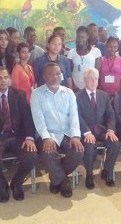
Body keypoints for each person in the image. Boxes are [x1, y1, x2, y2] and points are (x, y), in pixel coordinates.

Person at [0, 66, 37, 203]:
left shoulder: (19, 95)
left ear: (9, 79)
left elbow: (27, 119)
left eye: (5, 77)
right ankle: (2, 184)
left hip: (17, 137)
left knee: (31, 156)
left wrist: (29, 138)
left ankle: (16, 183)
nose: (3, 81)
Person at [30, 62, 84, 198]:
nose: (55, 77)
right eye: (51, 74)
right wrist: (46, 137)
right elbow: (38, 119)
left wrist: (75, 136)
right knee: (48, 153)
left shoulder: (69, 93)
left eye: (58, 73)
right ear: (44, 76)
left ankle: (56, 179)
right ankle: (63, 181)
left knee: (78, 151)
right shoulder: (36, 94)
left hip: (66, 132)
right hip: (47, 133)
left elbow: (74, 116)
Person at [76, 68, 120, 189]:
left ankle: (107, 171)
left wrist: (110, 130)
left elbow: (111, 114)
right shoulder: (77, 97)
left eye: (95, 78)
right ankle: (89, 175)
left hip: (101, 129)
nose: (93, 81)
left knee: (115, 143)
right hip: (85, 130)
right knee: (89, 146)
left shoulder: (104, 95)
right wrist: (86, 132)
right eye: (90, 78)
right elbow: (77, 117)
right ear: (85, 80)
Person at [67, 26, 101, 91]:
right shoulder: (71, 52)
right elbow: (69, 72)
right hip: (76, 87)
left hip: (90, 87)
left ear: (87, 37)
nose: (80, 39)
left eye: (83, 37)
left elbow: (97, 72)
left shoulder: (96, 51)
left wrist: (90, 86)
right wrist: (73, 86)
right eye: (78, 37)